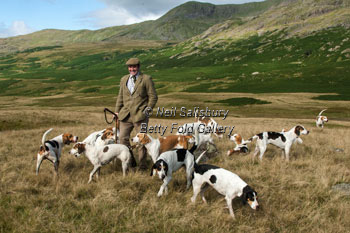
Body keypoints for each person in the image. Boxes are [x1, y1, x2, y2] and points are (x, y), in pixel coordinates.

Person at [115, 58, 158, 169]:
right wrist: (116, 111)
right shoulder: (124, 79)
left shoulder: (146, 79)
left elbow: (153, 97)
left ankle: (142, 165)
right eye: (130, 67)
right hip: (125, 115)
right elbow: (120, 96)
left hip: (140, 116)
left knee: (142, 141)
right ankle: (131, 161)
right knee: (123, 139)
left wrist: (147, 110)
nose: (132, 69)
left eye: (134, 67)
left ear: (138, 67)